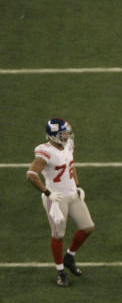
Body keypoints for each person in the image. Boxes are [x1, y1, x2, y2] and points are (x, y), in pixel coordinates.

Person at [26, 118, 95, 287]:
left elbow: (71, 165)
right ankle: (60, 271)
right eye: (63, 133)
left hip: (72, 194)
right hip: (57, 198)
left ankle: (69, 257)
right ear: (54, 135)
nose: (67, 135)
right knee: (58, 234)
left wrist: (77, 186)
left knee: (88, 227)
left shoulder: (68, 145)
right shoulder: (46, 152)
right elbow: (31, 174)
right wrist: (48, 193)